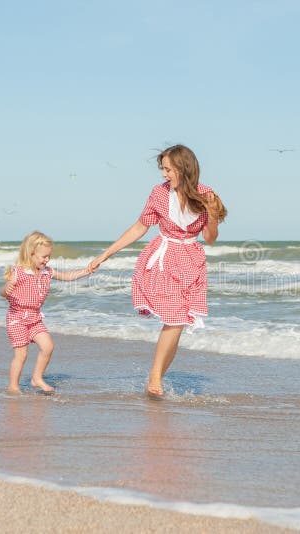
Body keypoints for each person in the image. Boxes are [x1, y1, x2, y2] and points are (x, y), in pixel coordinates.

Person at [89, 144, 227, 398]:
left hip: (191, 262)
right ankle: (154, 378)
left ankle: (156, 378)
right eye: (163, 169)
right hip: (164, 259)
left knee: (178, 324)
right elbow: (140, 227)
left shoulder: (206, 194)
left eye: (168, 169)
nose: (164, 175)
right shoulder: (159, 194)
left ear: (183, 169)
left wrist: (212, 213)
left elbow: (210, 238)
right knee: (174, 320)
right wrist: (106, 254)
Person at [2, 230, 91, 393]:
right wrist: (6, 289)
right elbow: (3, 292)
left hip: (35, 318)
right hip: (17, 318)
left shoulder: (47, 272)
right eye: (43, 257)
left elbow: (67, 276)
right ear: (31, 254)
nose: (47, 260)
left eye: (49, 256)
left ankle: (37, 378)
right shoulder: (19, 272)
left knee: (48, 347)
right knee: (21, 355)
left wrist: (86, 271)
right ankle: (13, 386)